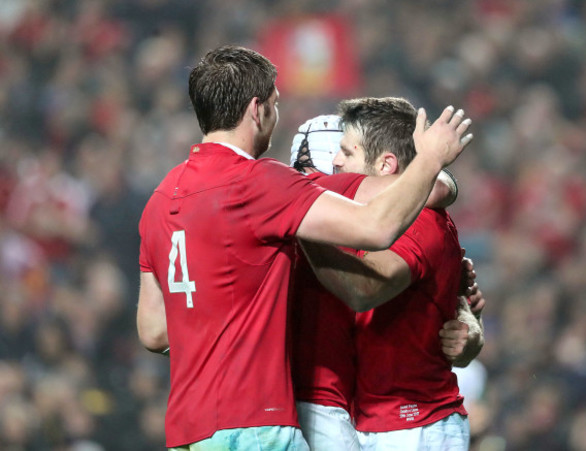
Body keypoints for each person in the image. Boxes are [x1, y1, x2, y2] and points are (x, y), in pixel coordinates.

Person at [136, 46, 473, 450]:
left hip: (188, 427)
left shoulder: (159, 200)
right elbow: (380, 223)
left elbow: (154, 331)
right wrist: (433, 160)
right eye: (276, 106)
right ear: (257, 110)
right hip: (256, 421)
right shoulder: (263, 185)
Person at [293, 98, 484, 451]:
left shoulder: (420, 220)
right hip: (378, 421)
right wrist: (467, 315)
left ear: (385, 164)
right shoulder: (366, 220)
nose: (338, 162)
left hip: (415, 423)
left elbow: (365, 288)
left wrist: (302, 226)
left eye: (347, 153)